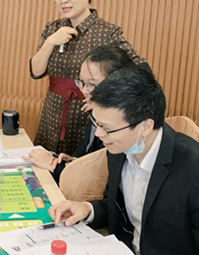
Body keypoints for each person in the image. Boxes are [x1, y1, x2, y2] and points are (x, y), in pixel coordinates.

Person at [49, 67, 199, 255]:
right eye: (96, 123)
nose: (99, 134)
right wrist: (88, 209)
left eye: (107, 128)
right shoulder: (120, 148)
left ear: (145, 126)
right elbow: (124, 207)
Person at [30, 0, 145, 156]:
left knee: (80, 167)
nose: (63, 0)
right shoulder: (52, 29)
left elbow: (140, 71)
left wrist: (102, 99)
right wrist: (50, 42)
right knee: (46, 165)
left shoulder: (108, 32)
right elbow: (35, 71)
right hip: (52, 112)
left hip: (89, 117)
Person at [24, 45, 135, 183]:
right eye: (81, 82)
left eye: (92, 85)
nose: (84, 91)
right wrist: (73, 161)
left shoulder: (124, 124)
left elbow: (101, 180)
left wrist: (55, 167)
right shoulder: (95, 110)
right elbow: (86, 149)